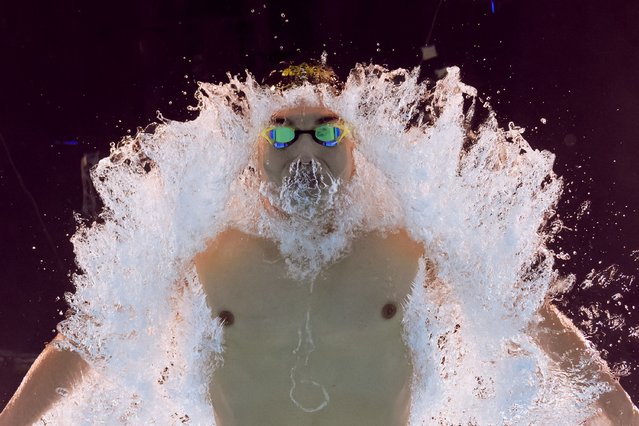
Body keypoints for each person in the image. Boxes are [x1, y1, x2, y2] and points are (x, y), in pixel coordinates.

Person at [1, 64, 637, 426]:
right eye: (282, 134)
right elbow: (93, 339)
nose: (305, 149)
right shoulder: (204, 251)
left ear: (356, 149)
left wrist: (618, 412)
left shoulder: (408, 246)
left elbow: (528, 315)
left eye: (326, 132)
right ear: (253, 153)